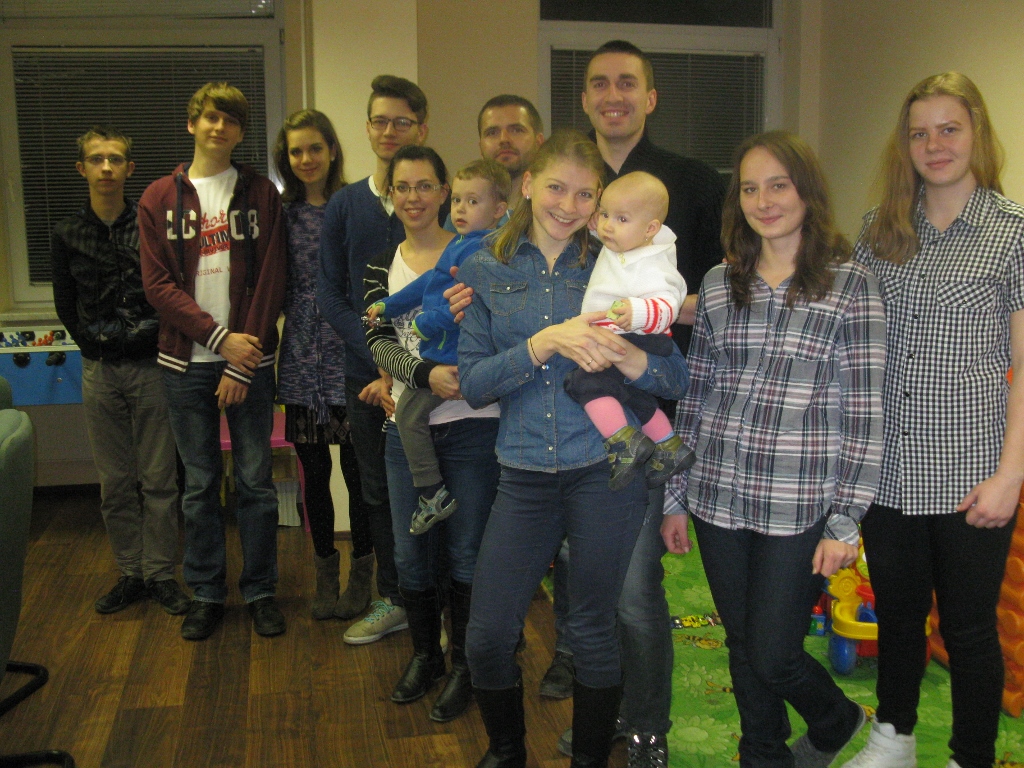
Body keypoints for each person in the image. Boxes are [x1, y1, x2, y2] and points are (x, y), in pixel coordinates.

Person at [459, 129, 691, 768]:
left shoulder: (620, 261)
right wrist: (545, 343)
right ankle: (507, 752)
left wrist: (632, 359)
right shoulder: (485, 267)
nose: (569, 205)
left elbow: (674, 379)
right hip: (523, 472)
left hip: (605, 472)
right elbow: (473, 384)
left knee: (592, 632)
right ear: (527, 184)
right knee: (487, 636)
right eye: (555, 187)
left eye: (586, 195)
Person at [662, 130, 886, 766]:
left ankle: (836, 719)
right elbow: (697, 393)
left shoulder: (851, 285)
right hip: (717, 495)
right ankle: (762, 754)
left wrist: (845, 521)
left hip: (798, 502)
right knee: (741, 643)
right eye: (750, 188)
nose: (764, 201)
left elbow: (865, 411)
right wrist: (676, 494)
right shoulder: (719, 283)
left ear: (807, 191)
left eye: (778, 185)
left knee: (774, 652)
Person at [841, 73, 1024, 768]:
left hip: (972, 471)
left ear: (978, 133)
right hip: (888, 467)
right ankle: (894, 737)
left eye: (950, 128)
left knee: (970, 629)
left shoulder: (1013, 233)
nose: (935, 144)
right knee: (896, 615)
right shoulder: (878, 229)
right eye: (920, 132)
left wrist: (1011, 476)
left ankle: (971, 755)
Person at [139, 82, 287, 641]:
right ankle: (206, 593)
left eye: (230, 120)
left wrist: (241, 361)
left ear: (240, 132)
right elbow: (158, 286)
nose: (219, 127)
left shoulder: (260, 194)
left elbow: (272, 277)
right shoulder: (158, 197)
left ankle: (261, 591)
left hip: (249, 363)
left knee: (255, 482)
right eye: (210, 117)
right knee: (199, 485)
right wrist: (220, 340)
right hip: (185, 365)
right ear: (192, 124)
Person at [363, 146, 503, 723]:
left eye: (425, 185)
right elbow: (375, 338)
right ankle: (426, 656)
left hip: (473, 427)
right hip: (407, 427)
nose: (413, 196)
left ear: (444, 193)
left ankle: (467, 666)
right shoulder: (381, 265)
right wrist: (426, 375)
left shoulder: (485, 251)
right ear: (390, 194)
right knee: (410, 552)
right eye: (402, 187)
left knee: (468, 551)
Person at [318, 75, 436, 644]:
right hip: (365, 377)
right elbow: (329, 292)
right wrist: (379, 355)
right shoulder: (346, 204)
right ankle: (395, 597)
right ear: (366, 129)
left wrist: (410, 365)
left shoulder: (436, 200)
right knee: (378, 490)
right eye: (380, 121)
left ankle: (439, 600)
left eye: (402, 122)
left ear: (422, 129)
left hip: (435, 380)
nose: (390, 131)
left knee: (436, 487)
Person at [51, 126, 187, 617]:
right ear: (81, 168)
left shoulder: (150, 225)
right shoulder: (67, 233)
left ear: (130, 168)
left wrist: (146, 338)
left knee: (159, 480)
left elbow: (170, 288)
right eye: (96, 159)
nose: (105, 167)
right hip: (99, 370)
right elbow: (65, 302)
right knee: (114, 482)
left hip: (151, 367)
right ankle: (131, 572)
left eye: (114, 159)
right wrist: (92, 343)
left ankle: (161, 574)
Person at [366, 158, 509, 535]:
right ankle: (432, 493)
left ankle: (432, 494)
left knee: (408, 416)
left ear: (499, 210)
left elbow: (465, 303)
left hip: (456, 361)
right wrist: (388, 305)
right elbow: (430, 282)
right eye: (458, 200)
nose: (460, 208)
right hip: (441, 359)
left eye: (472, 201)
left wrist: (425, 324)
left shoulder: (485, 251)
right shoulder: (462, 244)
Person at [272, 109, 373, 620]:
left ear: (332, 149)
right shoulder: (281, 215)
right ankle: (325, 576)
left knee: (358, 474)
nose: (306, 158)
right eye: (296, 151)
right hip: (300, 362)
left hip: (350, 356)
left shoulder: (354, 205)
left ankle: (362, 579)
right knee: (313, 474)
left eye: (315, 147)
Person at [564, 171, 694, 490]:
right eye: (605, 214)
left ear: (650, 229)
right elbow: (608, 235)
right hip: (626, 336)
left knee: (583, 382)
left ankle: (624, 443)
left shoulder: (655, 262)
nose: (608, 225)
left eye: (621, 219)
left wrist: (638, 312)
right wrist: (596, 223)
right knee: (631, 394)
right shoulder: (626, 244)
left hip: (644, 337)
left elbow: (669, 304)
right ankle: (669, 445)